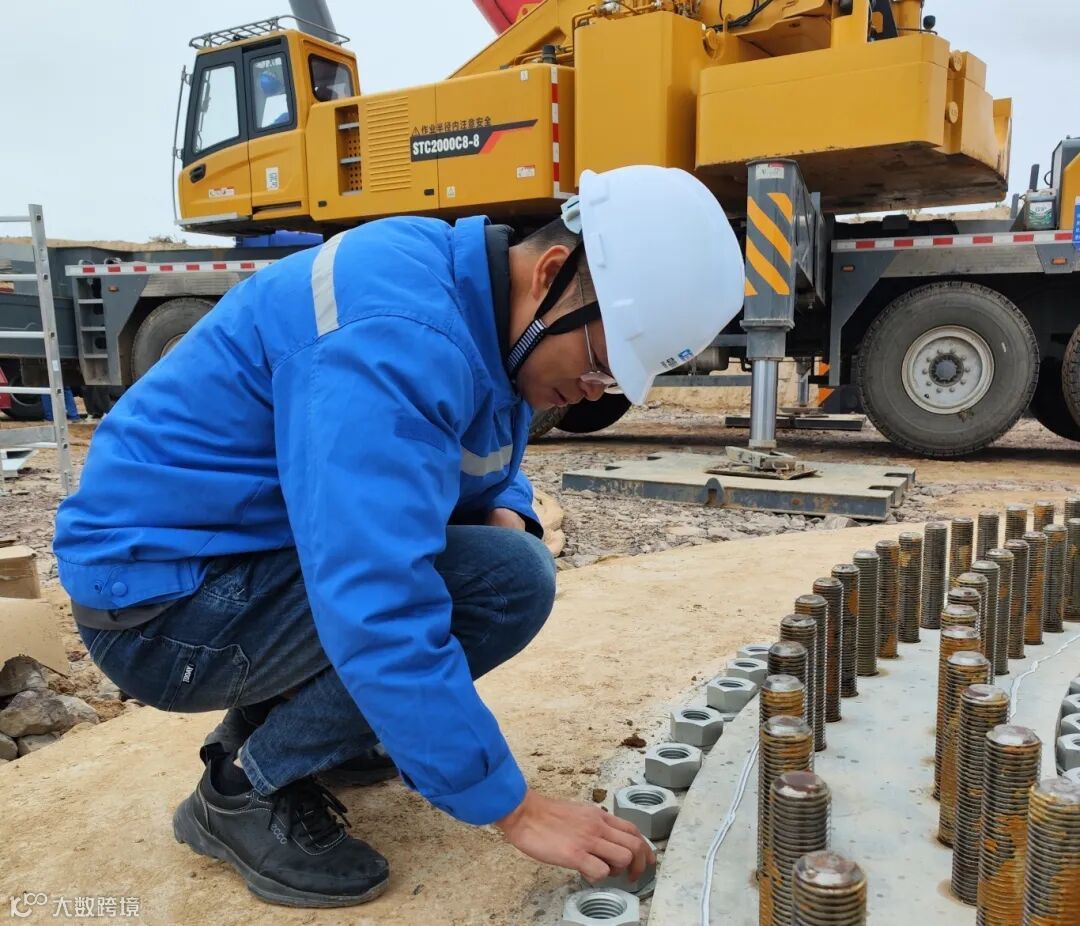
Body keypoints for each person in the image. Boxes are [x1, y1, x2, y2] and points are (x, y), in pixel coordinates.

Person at [53, 165, 744, 908]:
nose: (590, 392)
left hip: (223, 559)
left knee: (504, 561)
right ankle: (239, 789)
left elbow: (471, 449)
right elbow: (376, 598)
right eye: (600, 365)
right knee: (503, 585)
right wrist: (513, 807)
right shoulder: (394, 336)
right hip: (162, 613)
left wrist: (507, 509)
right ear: (552, 273)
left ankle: (311, 732)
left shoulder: (473, 304)